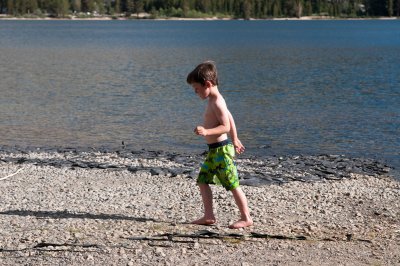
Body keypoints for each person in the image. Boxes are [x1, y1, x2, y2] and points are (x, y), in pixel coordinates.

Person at [186, 61, 253, 229]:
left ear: (207, 84)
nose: (196, 92)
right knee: (202, 180)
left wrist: (207, 131)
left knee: (233, 184)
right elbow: (230, 117)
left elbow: (225, 126)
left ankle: (246, 217)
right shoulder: (215, 100)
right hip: (213, 152)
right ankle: (209, 216)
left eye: (196, 89)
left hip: (221, 152)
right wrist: (236, 138)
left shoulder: (216, 102)